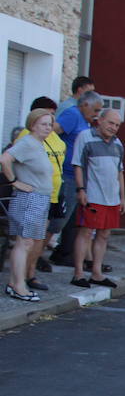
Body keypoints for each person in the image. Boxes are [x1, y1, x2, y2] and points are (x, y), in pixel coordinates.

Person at [2, 109, 56, 301]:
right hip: (28, 199)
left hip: (40, 199)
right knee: (23, 243)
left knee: (28, 243)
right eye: (43, 124)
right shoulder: (27, 143)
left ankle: (13, 283)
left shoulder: (38, 145)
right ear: (32, 125)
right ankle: (19, 286)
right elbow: (5, 159)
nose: (48, 128)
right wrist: (14, 181)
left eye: (50, 124)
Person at [70, 108, 125, 289]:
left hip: (112, 198)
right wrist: (81, 189)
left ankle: (96, 272)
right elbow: (78, 165)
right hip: (93, 195)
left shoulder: (118, 144)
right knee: (86, 232)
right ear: (100, 120)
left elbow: (120, 172)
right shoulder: (85, 137)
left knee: (104, 235)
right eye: (110, 123)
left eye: (117, 125)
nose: (114, 128)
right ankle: (78, 273)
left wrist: (122, 197)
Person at [15, 97, 65, 278]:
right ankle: (22, 278)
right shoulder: (26, 137)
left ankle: (31, 273)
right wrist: (15, 181)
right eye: (46, 116)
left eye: (52, 117)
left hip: (53, 193)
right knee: (28, 240)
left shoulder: (55, 138)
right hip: (33, 194)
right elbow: (10, 160)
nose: (50, 121)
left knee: (41, 237)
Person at [53, 89, 102, 267]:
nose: (97, 115)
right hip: (67, 174)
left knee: (74, 220)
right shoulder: (73, 114)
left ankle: (66, 254)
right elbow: (52, 132)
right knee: (59, 220)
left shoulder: (85, 121)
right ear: (85, 105)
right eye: (95, 110)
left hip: (78, 176)